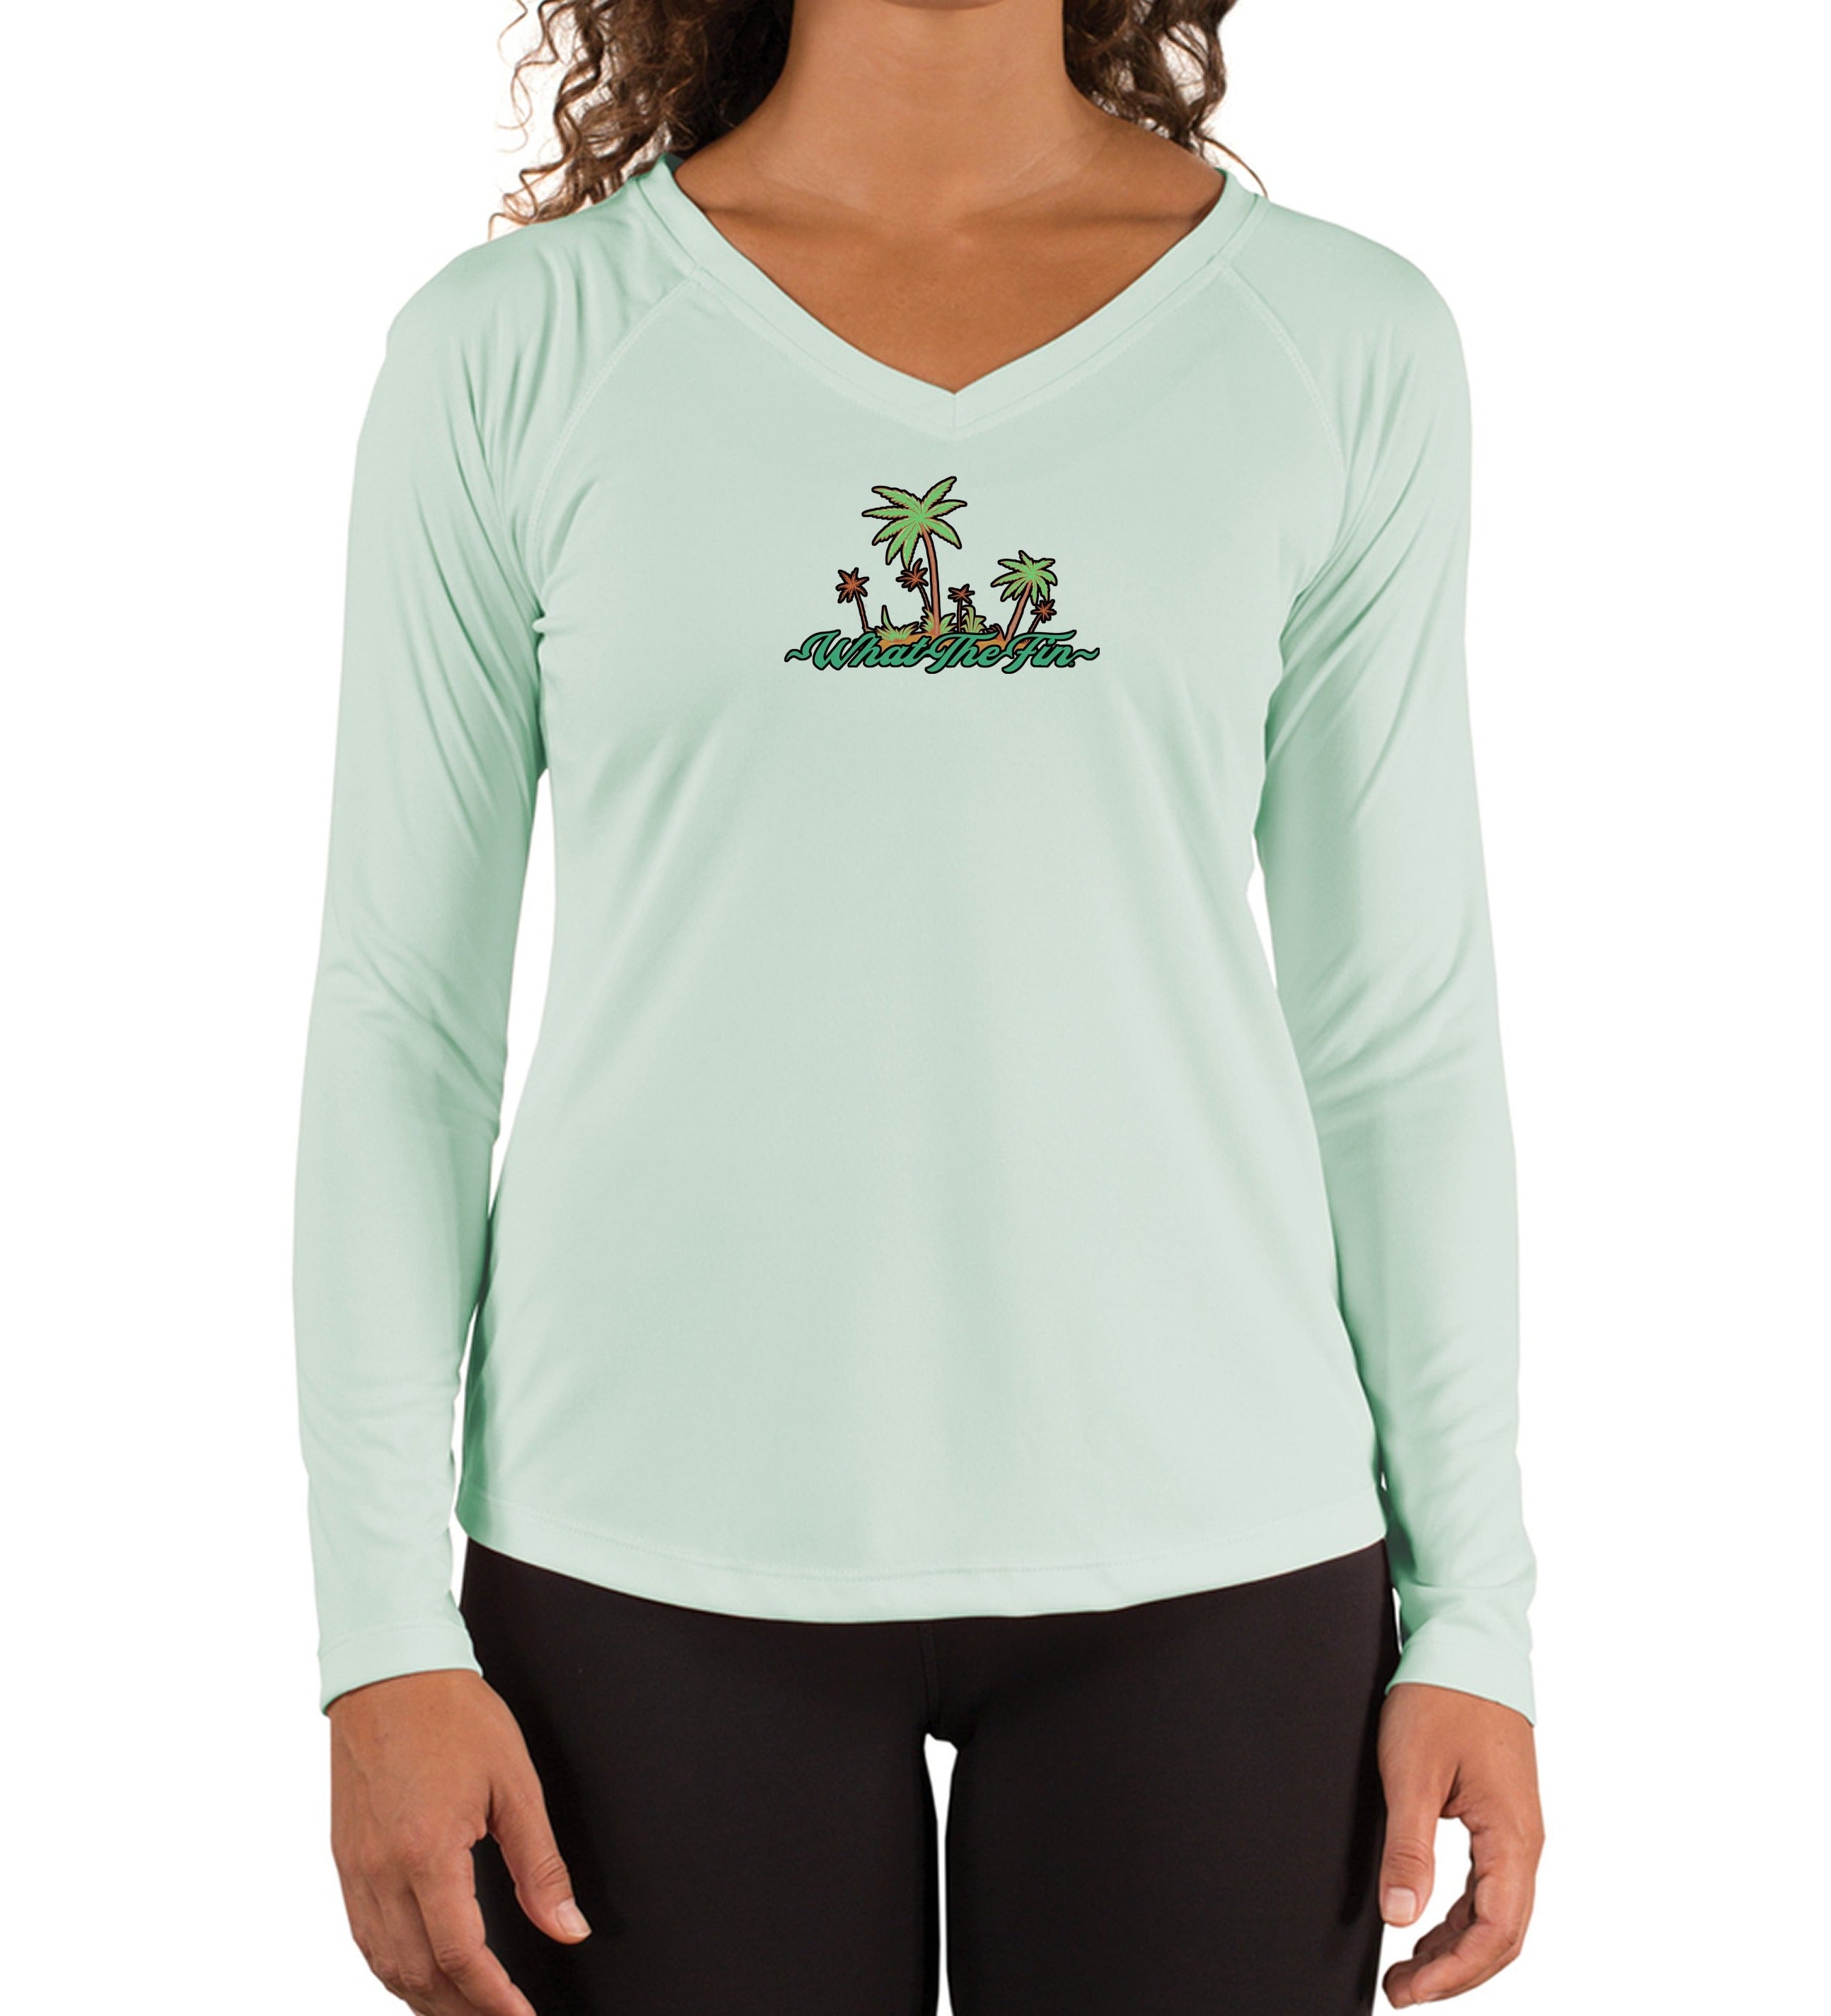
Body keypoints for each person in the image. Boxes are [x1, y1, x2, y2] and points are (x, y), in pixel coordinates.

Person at [292, 1, 1545, 2011]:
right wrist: (379, 1633)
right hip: (640, 1552)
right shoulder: (512, 350)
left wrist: (1473, 1609)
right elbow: (402, 1024)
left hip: (1218, 1552)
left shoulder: (1337, 343)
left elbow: (1398, 1023)